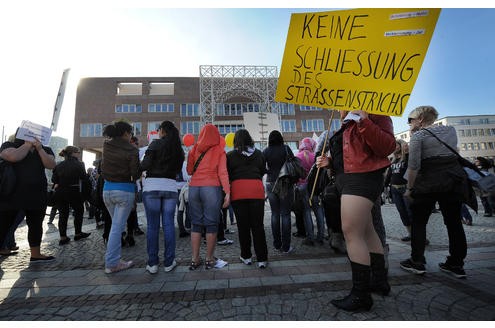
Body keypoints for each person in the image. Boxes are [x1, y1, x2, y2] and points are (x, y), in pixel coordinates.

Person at [316, 110, 395, 312]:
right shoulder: (345, 121)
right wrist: (329, 163)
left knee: (351, 232)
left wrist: (364, 120)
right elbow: (349, 157)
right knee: (367, 231)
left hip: (362, 180)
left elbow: (386, 146)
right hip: (348, 180)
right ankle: (379, 281)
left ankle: (361, 295)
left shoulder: (375, 114)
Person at [401, 106, 470, 279]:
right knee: (454, 222)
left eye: (411, 120)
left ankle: (417, 261)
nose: (409, 123)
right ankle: (456, 264)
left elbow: (414, 165)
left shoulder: (419, 136)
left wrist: (409, 189)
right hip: (451, 181)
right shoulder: (450, 130)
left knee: (419, 222)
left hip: (427, 183)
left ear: (421, 119)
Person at [0, 132, 56, 262]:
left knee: (36, 225)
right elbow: (12, 157)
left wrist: (40, 149)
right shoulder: (10, 145)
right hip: (11, 194)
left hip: (37, 194)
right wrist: (27, 145)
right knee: (4, 224)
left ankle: (35, 254)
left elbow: (51, 165)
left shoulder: (44, 148)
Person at [141, 121, 185, 274]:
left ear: (163, 131)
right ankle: (169, 262)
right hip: (170, 188)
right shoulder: (179, 150)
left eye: (158, 129)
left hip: (152, 186)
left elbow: (145, 165)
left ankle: (152, 264)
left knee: (153, 227)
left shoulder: (155, 144)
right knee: (168, 225)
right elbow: (178, 170)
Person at [186, 124, 230, 270]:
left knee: (196, 224)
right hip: (211, 188)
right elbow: (223, 173)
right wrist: (227, 192)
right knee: (212, 224)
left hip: (194, 188)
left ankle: (194, 259)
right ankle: (210, 259)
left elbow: (190, 170)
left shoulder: (194, 149)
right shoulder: (219, 150)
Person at [101, 121, 140, 273]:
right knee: (117, 228)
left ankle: (115, 260)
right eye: (130, 133)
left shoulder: (106, 145)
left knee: (115, 227)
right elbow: (135, 173)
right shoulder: (132, 149)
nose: (131, 136)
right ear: (125, 133)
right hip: (124, 190)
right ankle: (112, 263)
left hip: (107, 190)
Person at [227, 129, 268, 268]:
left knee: (243, 226)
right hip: (256, 191)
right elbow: (262, 171)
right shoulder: (259, 154)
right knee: (258, 226)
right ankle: (262, 259)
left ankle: (246, 256)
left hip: (238, 192)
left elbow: (228, 174)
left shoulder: (231, 155)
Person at [263, 130, 295, 254]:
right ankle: (286, 247)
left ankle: (277, 245)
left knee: (275, 214)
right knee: (285, 214)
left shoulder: (266, 151)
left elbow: (261, 167)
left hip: (271, 183)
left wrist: (269, 172)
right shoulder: (286, 149)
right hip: (285, 183)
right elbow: (293, 164)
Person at [51, 146, 91, 245]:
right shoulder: (80, 164)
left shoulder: (59, 165)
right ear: (73, 153)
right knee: (78, 211)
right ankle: (78, 233)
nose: (79, 154)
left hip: (60, 191)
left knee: (63, 214)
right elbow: (83, 177)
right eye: (78, 152)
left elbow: (54, 180)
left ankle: (63, 237)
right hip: (74, 190)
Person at [296, 137, 325, 246]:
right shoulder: (315, 156)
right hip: (315, 187)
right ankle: (321, 236)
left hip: (302, 187)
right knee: (319, 211)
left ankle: (310, 237)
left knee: (306, 212)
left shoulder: (297, 157)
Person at [384, 140, 413, 241]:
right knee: (402, 212)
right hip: (394, 189)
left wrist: (407, 150)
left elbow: (413, 168)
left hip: (405, 188)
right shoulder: (393, 160)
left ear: (401, 146)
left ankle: (418, 234)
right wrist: (384, 186)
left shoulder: (407, 158)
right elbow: (389, 175)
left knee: (410, 212)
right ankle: (410, 234)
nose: (394, 147)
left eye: (396, 145)